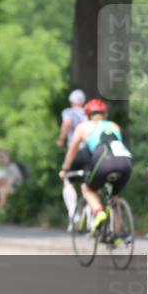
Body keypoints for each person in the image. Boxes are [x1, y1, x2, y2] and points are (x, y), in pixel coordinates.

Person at [59, 98, 133, 234]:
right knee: (115, 197)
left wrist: (65, 169)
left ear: (87, 114)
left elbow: (72, 151)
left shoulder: (83, 127)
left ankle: (98, 212)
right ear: (105, 114)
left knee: (87, 189)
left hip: (103, 161)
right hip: (125, 162)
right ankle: (116, 235)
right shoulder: (114, 126)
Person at [57, 89, 89, 228]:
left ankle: (73, 213)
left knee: (66, 179)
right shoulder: (87, 113)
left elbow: (67, 123)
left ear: (71, 101)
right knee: (87, 183)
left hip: (74, 151)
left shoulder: (68, 112)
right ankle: (89, 215)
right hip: (88, 152)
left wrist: (61, 139)